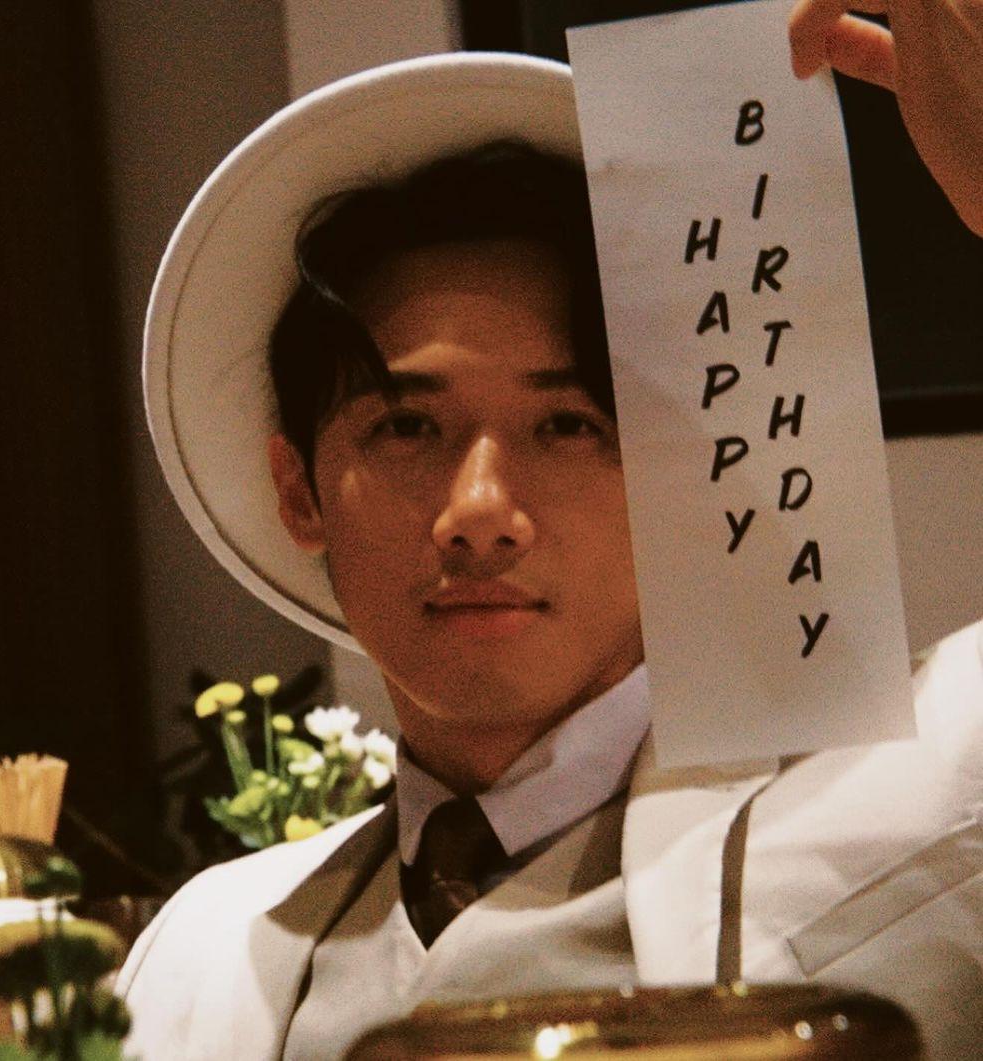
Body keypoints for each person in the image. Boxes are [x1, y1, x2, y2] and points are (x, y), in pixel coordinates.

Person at [118, 5, 983, 1058]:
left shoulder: (926, 805)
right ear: (298, 490)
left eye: (569, 423)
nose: (480, 509)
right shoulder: (195, 956)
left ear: (686, 475)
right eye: (406, 427)